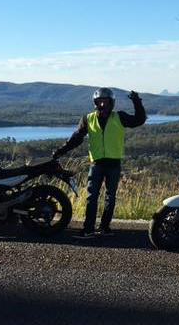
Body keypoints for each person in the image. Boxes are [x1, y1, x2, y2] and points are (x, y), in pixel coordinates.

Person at [51, 88, 146, 240]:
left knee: (110, 197)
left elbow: (139, 120)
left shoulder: (119, 117)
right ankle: (88, 229)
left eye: (105, 101)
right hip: (96, 164)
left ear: (111, 102)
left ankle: (104, 228)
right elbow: (76, 138)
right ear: (95, 103)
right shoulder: (88, 119)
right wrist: (61, 150)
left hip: (113, 163)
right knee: (91, 197)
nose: (102, 103)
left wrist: (137, 102)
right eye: (99, 101)